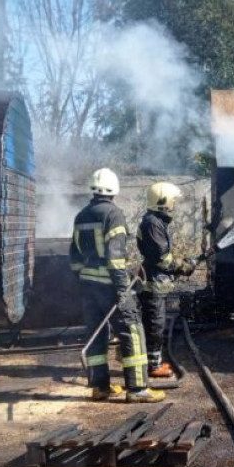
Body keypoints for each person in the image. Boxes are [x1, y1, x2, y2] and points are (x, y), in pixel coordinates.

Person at [69, 168, 165, 403]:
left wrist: (84, 279)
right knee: (132, 331)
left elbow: (74, 256)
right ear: (114, 190)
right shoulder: (113, 215)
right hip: (111, 286)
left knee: (96, 334)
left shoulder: (81, 216)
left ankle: (99, 387)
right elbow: (115, 259)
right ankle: (138, 389)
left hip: (88, 286)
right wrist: (122, 289)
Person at [137, 182, 196, 378]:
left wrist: (181, 264)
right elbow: (162, 258)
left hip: (156, 280)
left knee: (155, 323)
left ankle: (153, 362)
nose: (174, 204)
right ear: (163, 201)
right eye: (172, 200)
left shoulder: (154, 222)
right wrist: (182, 266)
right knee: (155, 324)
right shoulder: (153, 223)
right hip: (153, 284)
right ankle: (154, 366)